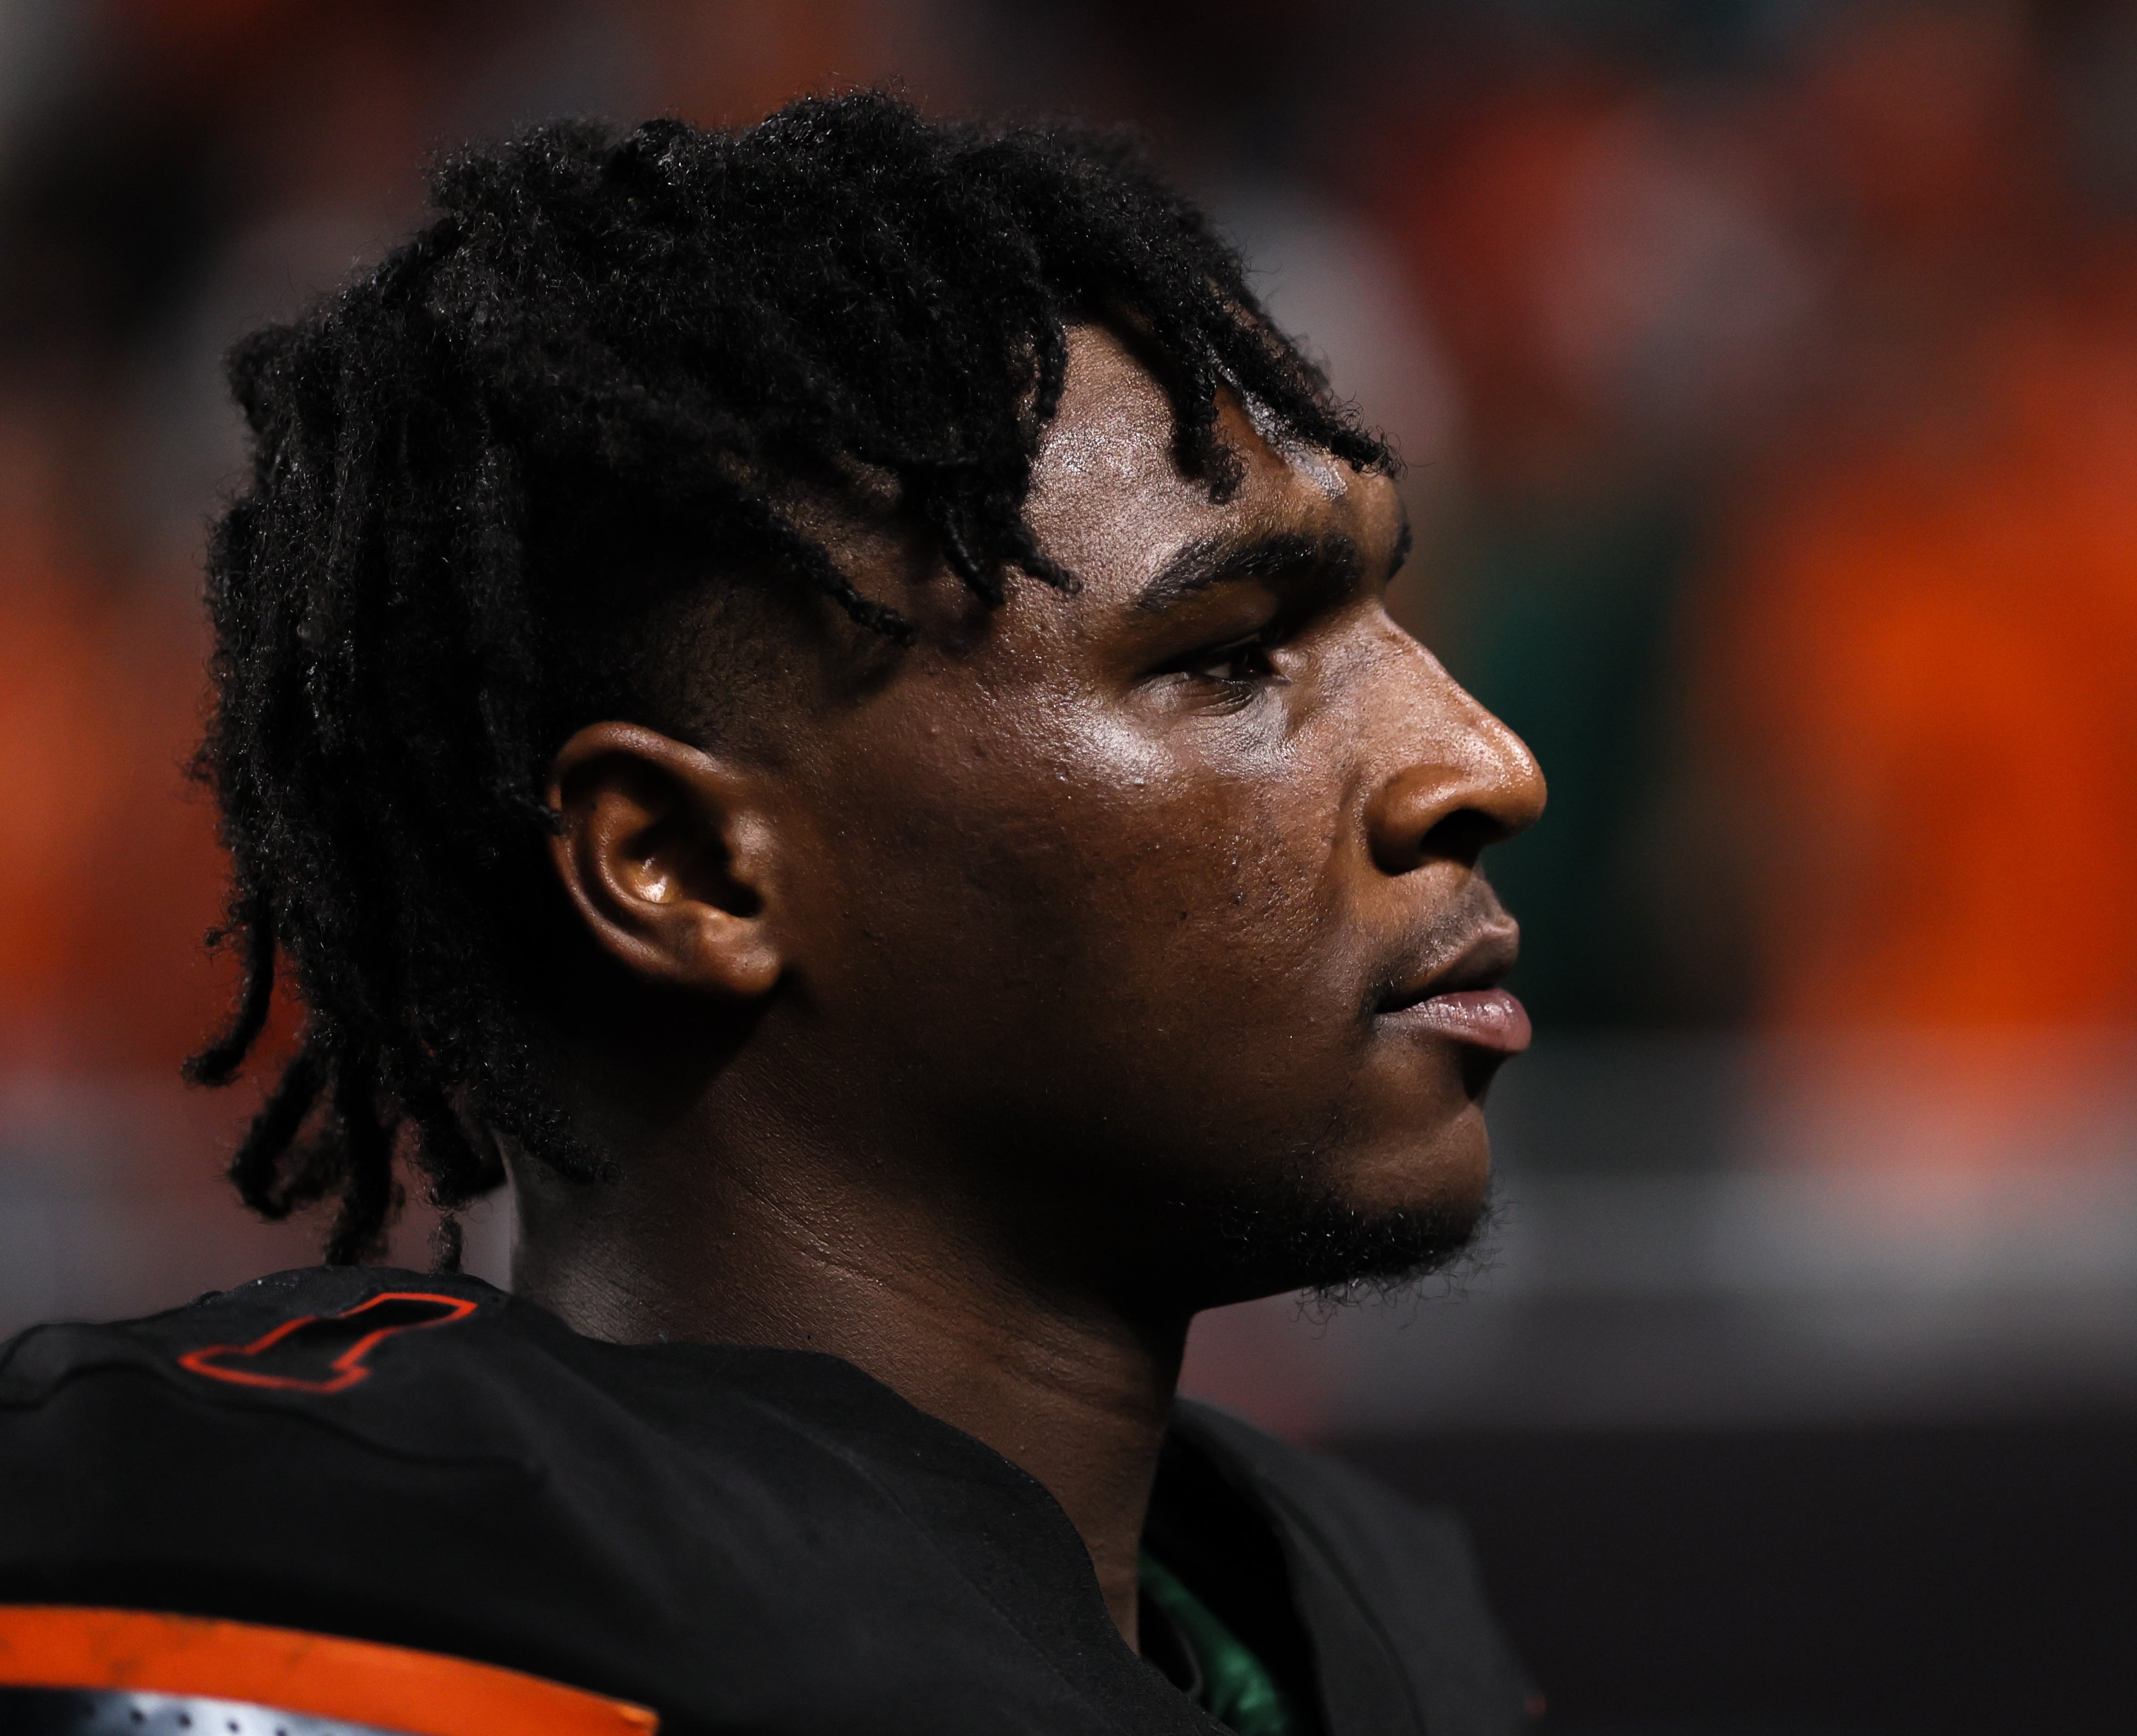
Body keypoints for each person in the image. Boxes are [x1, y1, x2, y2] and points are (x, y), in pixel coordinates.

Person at [0, 93, 1546, 1736]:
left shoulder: (1359, 1625)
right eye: (1230, 655)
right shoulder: (315, 1610)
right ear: (685, 862)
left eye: (1386, 616)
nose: (1480, 763)